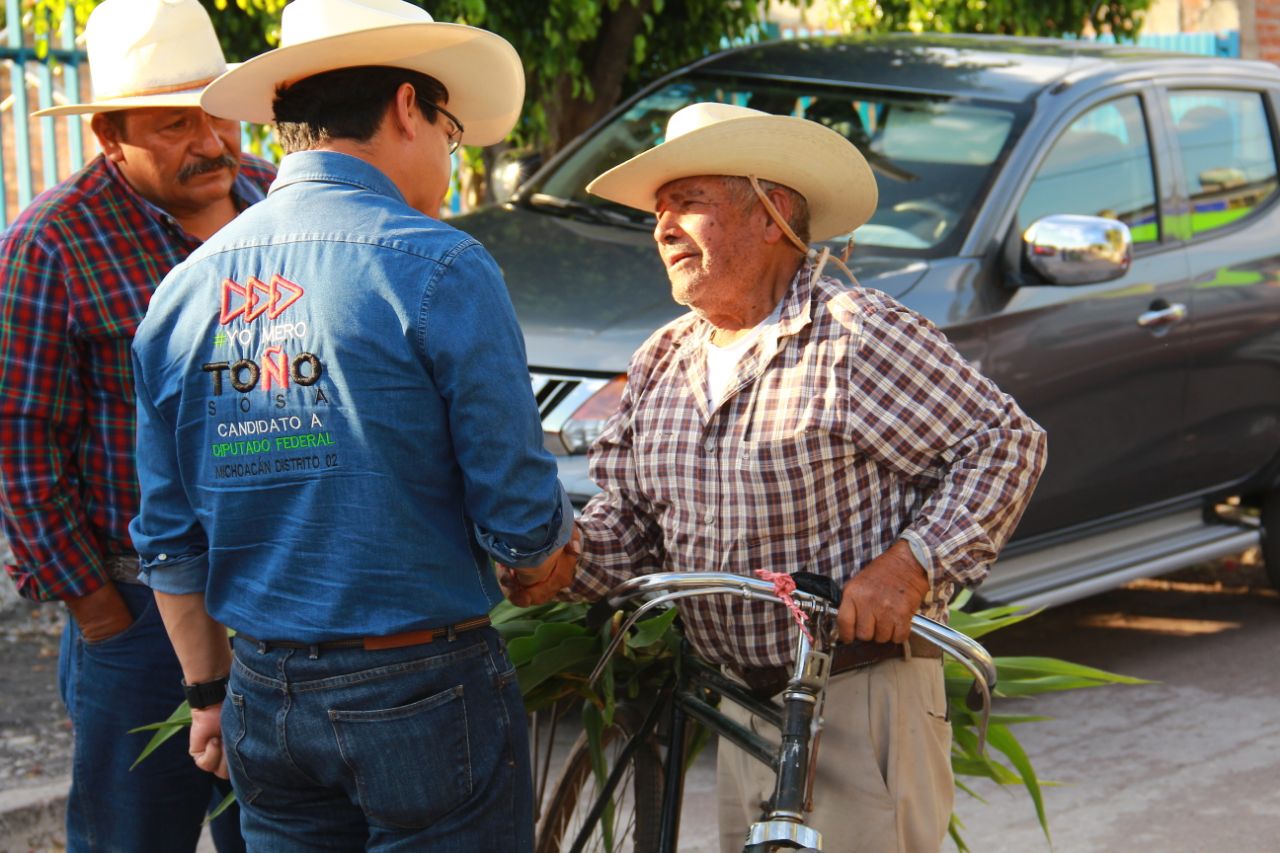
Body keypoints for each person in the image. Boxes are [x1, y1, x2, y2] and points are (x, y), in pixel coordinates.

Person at [506, 102, 1048, 853]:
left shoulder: (854, 333)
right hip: (741, 706)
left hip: (861, 696)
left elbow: (1005, 441)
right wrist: (560, 561)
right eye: (659, 211)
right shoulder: (664, 358)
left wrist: (909, 567)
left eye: (688, 203)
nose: (662, 228)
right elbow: (629, 525)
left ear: (772, 214)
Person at [128, 0, 573, 848]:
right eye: (449, 124)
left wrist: (208, 693)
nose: (450, 149)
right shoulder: (439, 264)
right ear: (408, 107)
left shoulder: (183, 291)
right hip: (421, 687)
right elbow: (519, 518)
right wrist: (544, 559)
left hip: (262, 691)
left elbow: (169, 536)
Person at [0, 0, 275, 849]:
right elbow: (19, 440)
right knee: (132, 838)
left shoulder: (276, 200)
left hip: (277, 597)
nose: (211, 142)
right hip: (137, 613)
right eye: (172, 125)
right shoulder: (52, 243)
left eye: (217, 114)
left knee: (272, 833)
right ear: (108, 138)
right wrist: (98, 609)